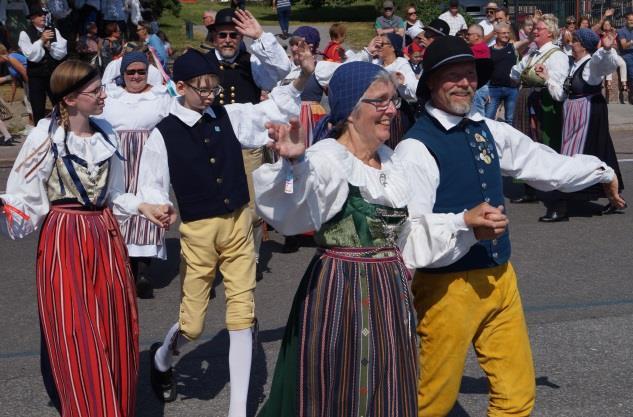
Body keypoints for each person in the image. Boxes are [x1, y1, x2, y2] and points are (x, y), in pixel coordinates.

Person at [255, 59, 506, 417]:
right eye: (380, 101)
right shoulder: (327, 159)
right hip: (340, 295)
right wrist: (294, 165)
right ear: (351, 110)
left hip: (389, 295)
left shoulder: (389, 163)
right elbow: (293, 212)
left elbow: (403, 235)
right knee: (337, 391)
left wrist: (464, 222)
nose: (391, 109)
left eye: (393, 100)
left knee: (388, 390)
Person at [396, 35, 625, 417]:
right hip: (446, 288)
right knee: (429, 402)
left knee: (516, 396)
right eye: (453, 76)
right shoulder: (416, 148)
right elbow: (411, 235)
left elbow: (541, 162)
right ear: (431, 84)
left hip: (500, 278)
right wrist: (467, 227)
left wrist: (599, 170)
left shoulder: (486, 128)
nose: (465, 83)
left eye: (469, 74)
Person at [0, 59, 174, 417]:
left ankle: (113, 402)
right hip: (64, 239)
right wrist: (10, 212)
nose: (103, 96)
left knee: (112, 327)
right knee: (76, 331)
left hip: (106, 237)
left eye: (101, 89)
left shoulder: (107, 133)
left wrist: (144, 207)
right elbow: (23, 199)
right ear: (70, 99)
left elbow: (114, 193)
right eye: (95, 91)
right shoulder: (45, 136)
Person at [144, 48, 313, 416]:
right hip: (199, 232)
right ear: (180, 87)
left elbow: (268, 111)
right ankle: (161, 360)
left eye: (212, 88)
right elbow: (152, 185)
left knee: (241, 314)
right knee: (192, 324)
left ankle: (238, 411)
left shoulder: (228, 115)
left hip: (239, 223)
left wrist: (301, 77)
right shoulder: (162, 133)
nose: (209, 95)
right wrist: (158, 206)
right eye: (201, 89)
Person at [205, 7, 292, 278]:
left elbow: (282, 70)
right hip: (211, 142)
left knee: (251, 205)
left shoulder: (252, 61)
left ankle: (249, 258)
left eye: (234, 35)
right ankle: (215, 256)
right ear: (214, 36)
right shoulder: (201, 62)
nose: (229, 39)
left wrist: (259, 37)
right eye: (223, 35)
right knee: (213, 202)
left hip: (247, 145)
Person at [98, 51, 172, 298]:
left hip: (150, 156)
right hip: (117, 156)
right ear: (123, 74)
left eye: (141, 71)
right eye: (131, 72)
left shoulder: (160, 96)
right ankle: (124, 265)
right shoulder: (111, 96)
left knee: (149, 205)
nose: (136, 76)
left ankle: (143, 271)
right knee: (119, 206)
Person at [537, 28, 625, 219]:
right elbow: (561, 95)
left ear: (583, 45)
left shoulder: (591, 64)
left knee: (573, 155)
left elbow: (604, 64)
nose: (571, 42)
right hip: (573, 114)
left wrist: (607, 50)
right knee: (599, 152)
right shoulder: (574, 64)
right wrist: (547, 79)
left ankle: (561, 205)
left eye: (575, 40)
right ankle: (613, 196)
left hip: (587, 113)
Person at [510, 14, 569, 207]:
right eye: (535, 28)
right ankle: (530, 188)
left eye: (539, 29)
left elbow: (558, 86)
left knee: (544, 143)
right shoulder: (533, 53)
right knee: (525, 142)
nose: (535, 31)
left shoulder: (557, 55)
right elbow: (515, 72)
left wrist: (545, 77)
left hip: (544, 102)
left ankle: (551, 189)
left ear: (550, 33)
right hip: (526, 99)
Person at [18, 4, 67, 124]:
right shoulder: (25, 34)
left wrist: (50, 48)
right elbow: (31, 55)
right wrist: (41, 40)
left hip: (53, 74)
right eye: (39, 15)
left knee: (59, 104)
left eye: (44, 15)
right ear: (32, 18)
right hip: (36, 76)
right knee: (38, 107)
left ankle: (62, 127)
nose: (43, 17)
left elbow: (61, 52)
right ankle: (40, 134)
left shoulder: (54, 30)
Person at [486, 22, 520, 124]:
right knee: (488, 118)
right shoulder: (489, 50)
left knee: (510, 120)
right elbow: (486, 71)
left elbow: (529, 40)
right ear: (496, 34)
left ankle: (510, 140)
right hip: (493, 89)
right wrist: (485, 90)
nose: (506, 35)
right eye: (503, 33)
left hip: (511, 89)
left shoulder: (513, 46)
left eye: (508, 33)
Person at [600, 19, 628, 103]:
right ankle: (608, 83)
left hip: (615, 54)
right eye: (605, 24)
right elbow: (602, 46)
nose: (606, 26)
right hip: (605, 54)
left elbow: (616, 45)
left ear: (611, 25)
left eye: (608, 24)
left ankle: (624, 84)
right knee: (609, 62)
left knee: (623, 63)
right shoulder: (601, 34)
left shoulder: (615, 33)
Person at [466, 24, 490, 115]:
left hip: (478, 87)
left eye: (469, 34)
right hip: (480, 86)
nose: (467, 36)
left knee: (477, 115)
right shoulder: (482, 47)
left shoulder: (478, 48)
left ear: (477, 36)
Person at [617, 11, 633, 104]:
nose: (632, 22)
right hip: (626, 54)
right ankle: (631, 95)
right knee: (631, 72)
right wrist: (631, 42)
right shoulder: (622, 31)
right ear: (626, 20)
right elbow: (623, 46)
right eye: (630, 20)